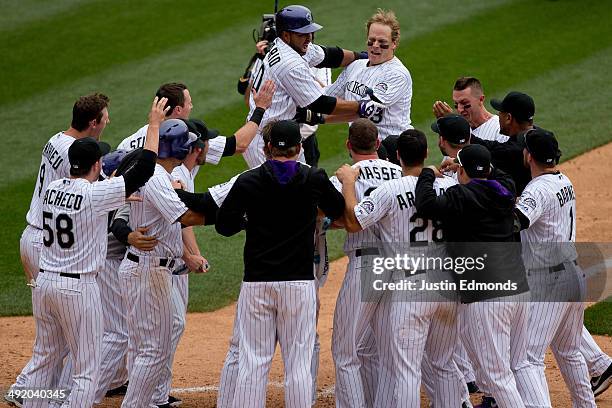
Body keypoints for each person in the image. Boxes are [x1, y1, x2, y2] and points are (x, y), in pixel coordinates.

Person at [20, 97, 168, 408]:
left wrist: (116, 188)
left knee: (44, 357)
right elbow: (143, 168)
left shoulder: (51, 190)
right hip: (77, 289)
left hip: (45, 283)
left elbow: (99, 191)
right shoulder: (95, 195)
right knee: (86, 372)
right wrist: (154, 125)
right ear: (97, 164)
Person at [215, 120, 345, 407]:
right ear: (300, 148)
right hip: (299, 283)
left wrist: (248, 219)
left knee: (253, 362)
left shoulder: (247, 180)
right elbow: (338, 210)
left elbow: (224, 226)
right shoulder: (314, 178)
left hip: (257, 283)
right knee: (297, 364)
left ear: (266, 148)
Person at [337, 130, 466, 407]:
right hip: (447, 285)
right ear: (426, 154)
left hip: (411, 287)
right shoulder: (447, 186)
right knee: (444, 365)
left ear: (397, 156)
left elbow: (353, 222)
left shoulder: (390, 190)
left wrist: (348, 184)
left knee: (407, 370)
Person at [5, 93, 111, 407]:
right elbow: (103, 186)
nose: (108, 122)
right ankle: (31, 391)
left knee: (53, 338)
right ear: (93, 122)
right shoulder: (73, 155)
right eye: (105, 117)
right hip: (51, 244)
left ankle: (32, 393)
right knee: (65, 334)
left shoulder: (57, 139)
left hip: (36, 235)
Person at [415, 144, 531, 408]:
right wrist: (470, 166)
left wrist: (428, 174)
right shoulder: (505, 189)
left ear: (463, 170)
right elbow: (497, 174)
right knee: (512, 367)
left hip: (488, 295)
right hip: (518, 288)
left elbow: (425, 205)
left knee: (496, 377)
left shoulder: (462, 195)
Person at [117, 118, 211, 408]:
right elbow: (184, 217)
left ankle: (151, 400)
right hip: (148, 270)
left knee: (154, 340)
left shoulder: (160, 176)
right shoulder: (157, 178)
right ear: (181, 148)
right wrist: (228, 212)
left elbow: (163, 229)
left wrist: (187, 256)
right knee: (152, 349)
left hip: (154, 267)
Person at [242, 4, 385, 168]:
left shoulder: (289, 46)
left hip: (287, 136)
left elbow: (330, 56)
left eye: (310, 31)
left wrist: (361, 57)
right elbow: (320, 104)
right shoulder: (289, 64)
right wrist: (360, 106)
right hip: (267, 142)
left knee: (303, 187)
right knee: (280, 192)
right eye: (302, 34)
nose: (309, 37)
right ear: (286, 35)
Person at [512, 128, 596, 407]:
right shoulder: (564, 180)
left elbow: (516, 222)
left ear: (530, 156)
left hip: (550, 281)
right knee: (570, 350)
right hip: (573, 274)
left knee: (526, 358)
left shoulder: (538, 189)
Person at [328, 119, 403, 407]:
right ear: (379, 144)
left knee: (346, 352)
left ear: (349, 145)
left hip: (366, 266)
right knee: (382, 349)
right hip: (399, 267)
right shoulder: (399, 174)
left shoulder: (345, 177)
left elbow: (341, 220)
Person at [118, 81, 275, 162]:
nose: (192, 107)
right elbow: (239, 144)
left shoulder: (128, 142)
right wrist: (259, 109)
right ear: (178, 110)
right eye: (189, 103)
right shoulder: (188, 138)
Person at [323, 8, 413, 140]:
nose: (375, 45)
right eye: (372, 40)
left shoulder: (397, 74)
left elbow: (367, 110)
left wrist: (318, 118)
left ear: (394, 43)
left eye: (382, 42)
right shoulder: (355, 66)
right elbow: (327, 96)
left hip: (393, 148)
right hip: (362, 146)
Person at [433, 76, 508, 143]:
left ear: (481, 99)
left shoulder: (500, 129)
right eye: (456, 104)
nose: (460, 109)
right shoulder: (457, 129)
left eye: (464, 103)